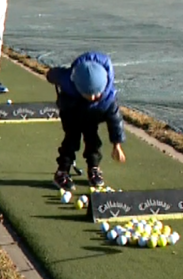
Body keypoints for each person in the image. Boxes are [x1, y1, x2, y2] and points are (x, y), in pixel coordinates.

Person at [45, 51, 126, 190]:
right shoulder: (68, 80)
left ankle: (94, 169)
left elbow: (115, 121)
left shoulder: (108, 99)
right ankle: (62, 172)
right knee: (71, 141)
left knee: (93, 141)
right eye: (88, 94)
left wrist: (117, 145)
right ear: (77, 87)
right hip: (71, 113)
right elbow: (53, 75)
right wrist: (51, 75)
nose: (93, 97)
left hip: (92, 117)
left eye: (97, 94)